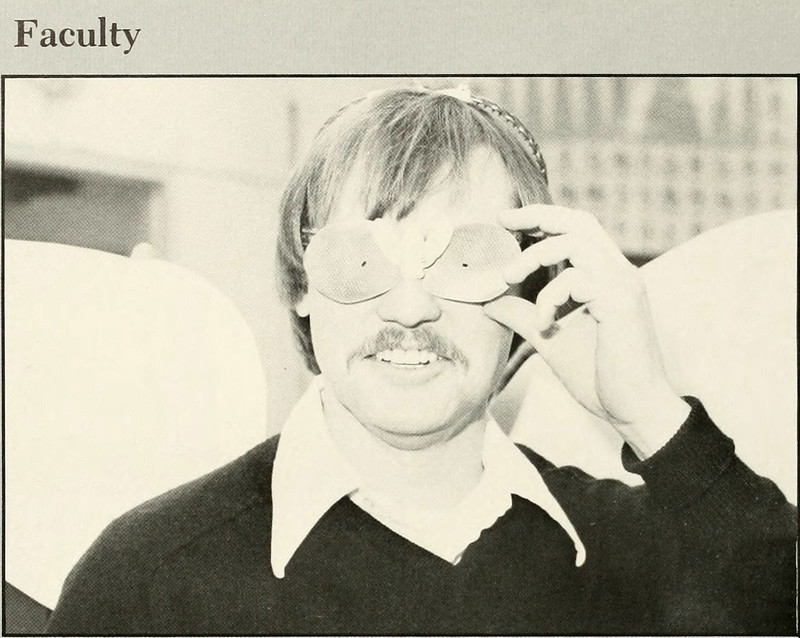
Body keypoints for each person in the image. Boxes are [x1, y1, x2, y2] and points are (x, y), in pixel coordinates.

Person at [46, 86, 796, 635]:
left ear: (531, 285)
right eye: (360, 260)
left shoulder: (638, 555)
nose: (409, 308)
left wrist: (650, 413)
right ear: (302, 282)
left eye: (464, 259)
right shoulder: (149, 580)